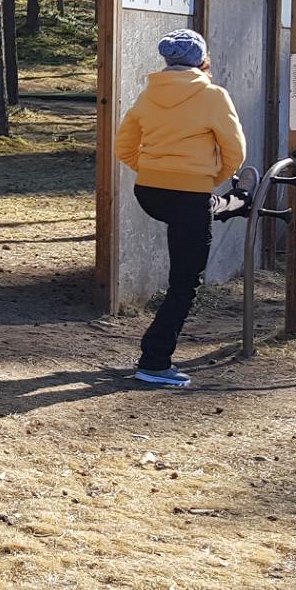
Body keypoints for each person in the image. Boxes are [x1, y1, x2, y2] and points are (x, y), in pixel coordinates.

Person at [115, 29, 250, 387]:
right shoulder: (213, 96)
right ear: (203, 62)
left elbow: (123, 146)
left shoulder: (148, 95)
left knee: (197, 213)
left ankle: (225, 205)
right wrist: (209, 178)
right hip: (189, 194)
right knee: (185, 283)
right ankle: (154, 360)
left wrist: (150, 170)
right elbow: (235, 153)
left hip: (149, 192)